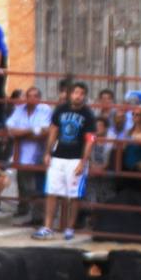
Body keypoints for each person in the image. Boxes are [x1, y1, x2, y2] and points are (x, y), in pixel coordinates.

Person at [38, 81, 96, 241]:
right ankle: (47, 226)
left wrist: (83, 162)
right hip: (58, 156)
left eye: (81, 93)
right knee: (51, 192)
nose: (78, 96)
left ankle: (70, 228)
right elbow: (53, 131)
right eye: (76, 93)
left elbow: (90, 139)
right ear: (70, 94)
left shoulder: (88, 115)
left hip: (76, 158)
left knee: (74, 195)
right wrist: (48, 152)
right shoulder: (60, 110)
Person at [4, 86, 52, 226]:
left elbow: (45, 131)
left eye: (34, 96)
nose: (31, 99)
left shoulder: (45, 109)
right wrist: (32, 130)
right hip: (22, 156)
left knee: (38, 188)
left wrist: (23, 132)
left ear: (39, 98)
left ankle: (38, 217)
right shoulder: (19, 109)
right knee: (24, 187)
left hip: (39, 155)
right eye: (28, 96)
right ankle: (24, 212)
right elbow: (10, 128)